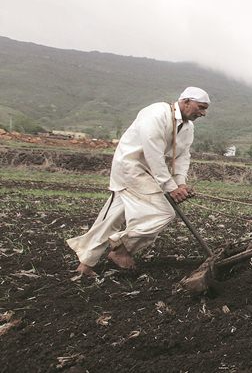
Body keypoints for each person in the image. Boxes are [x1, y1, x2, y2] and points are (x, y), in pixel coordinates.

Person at [66, 87, 210, 276]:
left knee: (112, 217)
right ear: (186, 101)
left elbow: (182, 157)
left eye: (205, 109)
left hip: (148, 172)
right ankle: (122, 248)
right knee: (163, 213)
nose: (203, 113)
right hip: (131, 167)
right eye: (200, 107)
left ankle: (85, 265)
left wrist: (180, 183)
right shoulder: (157, 114)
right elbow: (154, 153)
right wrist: (170, 187)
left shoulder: (188, 128)